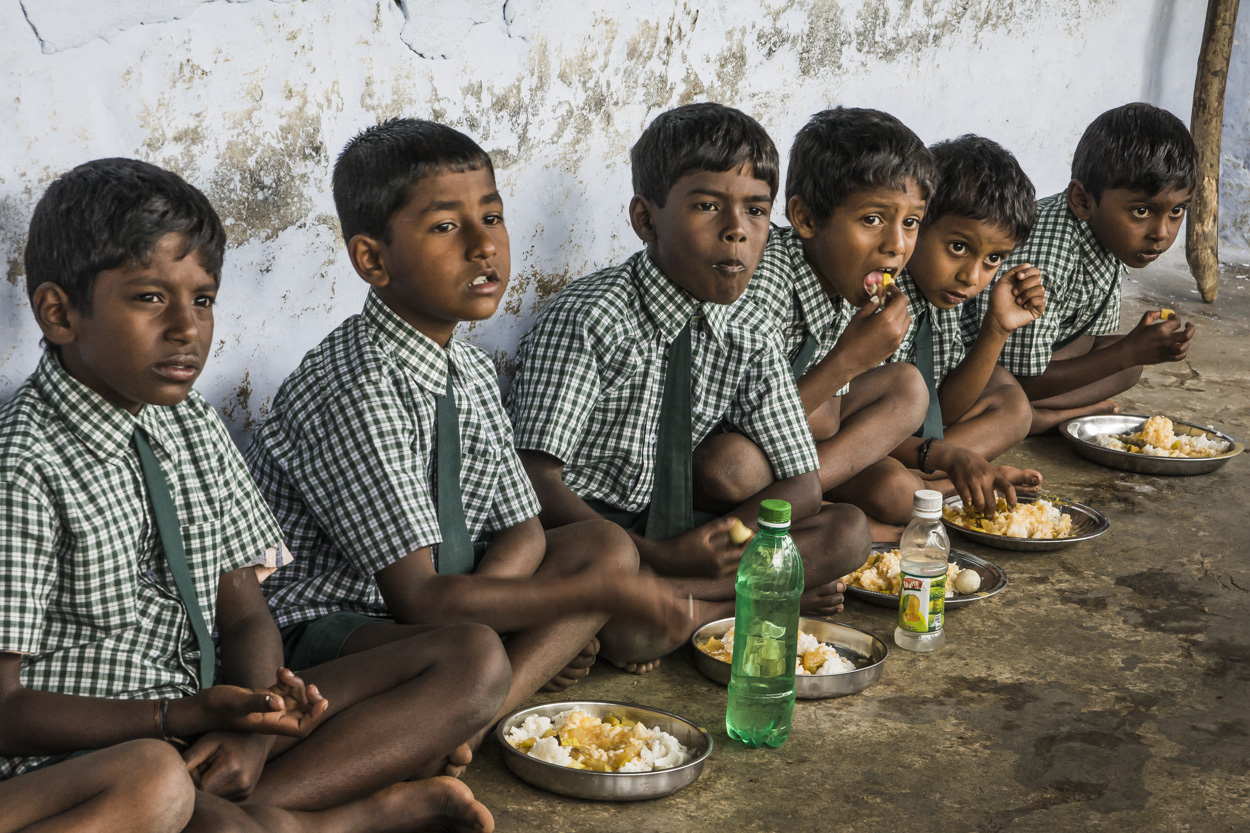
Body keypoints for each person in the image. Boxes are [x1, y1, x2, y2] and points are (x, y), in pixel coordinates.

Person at [0, 157, 504, 833]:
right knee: (190, 807)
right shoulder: (23, 463)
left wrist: (258, 724)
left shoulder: (191, 419)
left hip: (206, 715)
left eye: (202, 298)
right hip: (98, 754)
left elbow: (243, 612)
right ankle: (331, 817)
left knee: (471, 658)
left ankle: (273, 806)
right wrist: (175, 717)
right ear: (60, 313)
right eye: (150, 297)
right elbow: (5, 711)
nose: (187, 326)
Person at [244, 118, 692, 720]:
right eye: (446, 227)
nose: (483, 246)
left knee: (603, 545)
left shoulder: (469, 369)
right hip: (335, 630)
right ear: (373, 260)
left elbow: (523, 530)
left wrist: (517, 603)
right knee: (475, 647)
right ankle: (480, 693)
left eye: (492, 217)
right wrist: (580, 601)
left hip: (442, 612)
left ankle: (479, 717)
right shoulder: (356, 384)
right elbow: (420, 601)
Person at [509, 103, 868, 669]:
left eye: (755, 211)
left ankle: (692, 613)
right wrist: (657, 555)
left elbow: (802, 480)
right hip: (590, 534)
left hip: (678, 539)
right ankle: (738, 603)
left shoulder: (749, 327)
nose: (737, 230)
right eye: (707, 206)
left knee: (847, 532)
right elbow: (533, 477)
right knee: (623, 590)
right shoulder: (592, 318)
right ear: (647, 220)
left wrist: (730, 540)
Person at [734, 106, 936, 532]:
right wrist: (849, 358)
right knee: (735, 466)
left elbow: (829, 420)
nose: (896, 246)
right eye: (872, 220)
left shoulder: (849, 280)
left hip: (805, 448)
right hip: (744, 446)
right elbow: (741, 424)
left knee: (907, 392)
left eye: (911, 222)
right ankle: (769, 517)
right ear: (806, 218)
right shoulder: (765, 281)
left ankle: (796, 503)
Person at [962, 102, 1199, 434]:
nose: (1162, 232)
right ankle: (1037, 418)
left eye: (1176, 211)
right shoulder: (1046, 257)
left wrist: (1135, 350)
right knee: (1121, 357)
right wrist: (1128, 350)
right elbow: (1022, 377)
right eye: (1142, 211)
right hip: (974, 368)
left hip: (1031, 365)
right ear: (1083, 200)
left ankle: (1034, 415)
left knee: (1128, 366)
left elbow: (1090, 342)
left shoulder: (1109, 239)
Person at [883, 135, 1047, 512]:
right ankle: (947, 486)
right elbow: (855, 430)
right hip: (866, 450)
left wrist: (997, 328)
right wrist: (948, 457)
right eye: (958, 247)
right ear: (917, 222)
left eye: (993, 259)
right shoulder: (882, 290)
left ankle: (943, 484)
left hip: (914, 447)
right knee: (893, 489)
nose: (972, 276)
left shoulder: (945, 293)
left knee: (1015, 407)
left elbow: (942, 413)